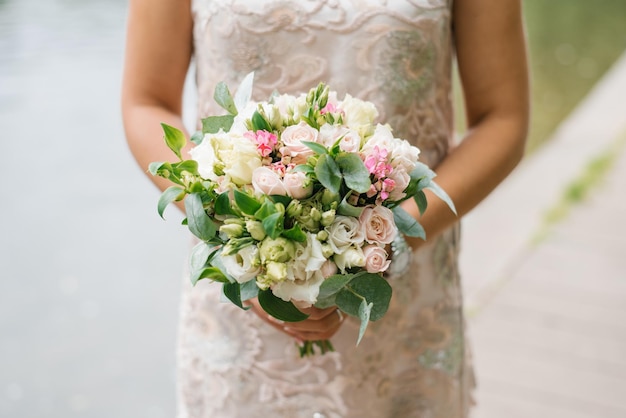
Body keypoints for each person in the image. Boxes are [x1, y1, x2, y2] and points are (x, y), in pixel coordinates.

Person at [122, 0, 529, 416]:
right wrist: (245, 254)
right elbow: (146, 102)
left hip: (403, 291)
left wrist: (377, 249)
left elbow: (503, 118)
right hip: (241, 289)